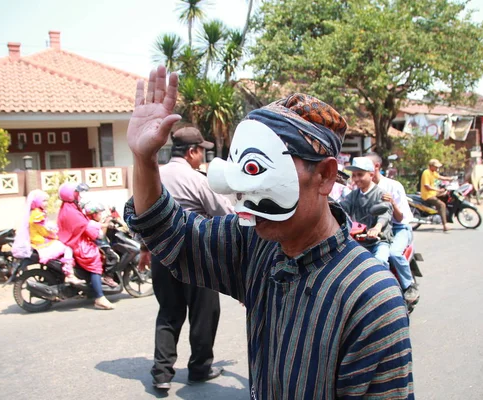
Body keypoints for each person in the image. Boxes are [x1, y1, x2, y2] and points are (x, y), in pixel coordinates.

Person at [124, 66, 413, 398]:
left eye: (257, 171)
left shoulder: (370, 297)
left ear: (325, 176)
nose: (243, 196)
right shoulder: (255, 244)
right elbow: (169, 233)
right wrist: (144, 158)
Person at [145, 126, 234, 391]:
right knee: (205, 312)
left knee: (169, 312)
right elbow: (223, 212)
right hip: (195, 256)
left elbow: (139, 212)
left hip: (160, 254)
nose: (202, 158)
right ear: (192, 151)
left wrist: (143, 250)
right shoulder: (197, 180)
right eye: (201, 153)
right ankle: (199, 368)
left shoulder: (152, 176)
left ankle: (161, 373)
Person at [366, 153, 419, 303]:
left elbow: (400, 218)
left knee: (394, 253)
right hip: (374, 230)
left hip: (398, 228)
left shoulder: (393, 186)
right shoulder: (360, 189)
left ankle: (409, 286)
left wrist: (392, 203)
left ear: (376, 167)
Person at [57, 183, 114, 310]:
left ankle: (91, 290)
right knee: (95, 260)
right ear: (71, 195)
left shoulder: (68, 207)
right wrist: (99, 229)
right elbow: (85, 226)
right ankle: (99, 297)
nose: (79, 196)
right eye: (77, 193)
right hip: (77, 242)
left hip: (75, 240)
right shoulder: (71, 210)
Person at [12, 190, 83, 285]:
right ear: (37, 202)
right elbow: (44, 231)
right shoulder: (37, 215)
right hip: (42, 243)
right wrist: (55, 235)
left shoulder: (36, 212)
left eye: (46, 201)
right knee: (68, 248)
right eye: (43, 201)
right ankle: (69, 274)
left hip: (40, 241)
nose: (46, 203)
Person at [338, 157, 393, 266]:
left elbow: (384, 213)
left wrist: (377, 228)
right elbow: (341, 208)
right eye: (354, 175)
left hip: (378, 241)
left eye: (360, 174)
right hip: (358, 241)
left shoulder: (381, 194)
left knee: (380, 261)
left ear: (371, 175)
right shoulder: (353, 195)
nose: (356, 179)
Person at [83, 201, 120, 288]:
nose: (101, 215)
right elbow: (100, 236)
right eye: (99, 214)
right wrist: (106, 224)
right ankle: (108, 277)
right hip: (98, 247)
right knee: (114, 257)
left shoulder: (93, 222)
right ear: (94, 215)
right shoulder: (92, 224)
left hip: (100, 245)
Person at [420, 158, 454, 232]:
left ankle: (441, 215)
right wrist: (438, 190)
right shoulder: (426, 172)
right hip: (428, 195)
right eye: (436, 166)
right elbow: (427, 186)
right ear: (431, 166)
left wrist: (449, 179)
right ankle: (445, 225)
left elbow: (440, 177)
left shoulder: (433, 172)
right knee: (442, 205)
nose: (437, 168)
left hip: (433, 194)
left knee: (445, 197)